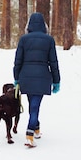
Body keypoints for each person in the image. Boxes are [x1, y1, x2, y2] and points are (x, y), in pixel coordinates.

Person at [13, 12, 60, 147]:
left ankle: (36, 129)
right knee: (35, 106)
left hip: (26, 77)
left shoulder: (23, 39)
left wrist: (16, 78)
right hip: (42, 78)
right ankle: (29, 134)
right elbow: (53, 62)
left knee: (32, 105)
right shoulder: (49, 40)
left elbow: (18, 61)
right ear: (44, 25)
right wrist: (56, 80)